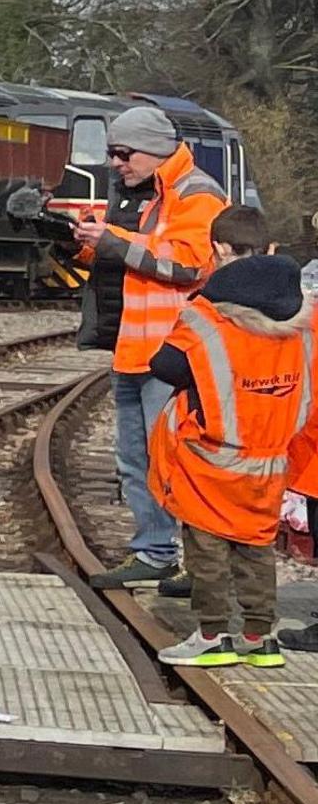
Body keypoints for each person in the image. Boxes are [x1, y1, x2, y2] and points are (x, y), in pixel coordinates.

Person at [74, 105, 232, 589]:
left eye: (123, 153)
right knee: (136, 459)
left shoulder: (196, 194)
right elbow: (131, 259)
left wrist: (112, 241)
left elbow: (186, 265)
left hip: (172, 354)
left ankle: (184, 559)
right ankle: (156, 551)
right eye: (112, 154)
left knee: (175, 459)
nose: (116, 163)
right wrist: (81, 244)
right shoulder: (147, 193)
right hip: (137, 349)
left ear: (155, 150)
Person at [144, 204, 307, 668]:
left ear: (216, 249)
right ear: (270, 248)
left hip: (211, 458)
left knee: (207, 549)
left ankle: (212, 635)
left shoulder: (206, 317)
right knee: (257, 547)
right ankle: (259, 637)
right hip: (270, 457)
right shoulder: (303, 321)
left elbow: (166, 366)